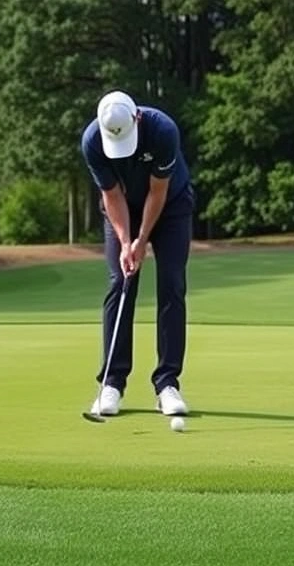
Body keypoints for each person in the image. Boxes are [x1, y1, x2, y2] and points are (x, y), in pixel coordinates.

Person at [80, 90, 195, 417]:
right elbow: (111, 194)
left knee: (172, 283)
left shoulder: (163, 130)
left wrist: (142, 238)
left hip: (171, 206)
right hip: (123, 209)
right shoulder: (92, 140)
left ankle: (167, 384)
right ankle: (112, 383)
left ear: (137, 118)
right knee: (121, 281)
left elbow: (158, 191)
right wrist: (126, 239)